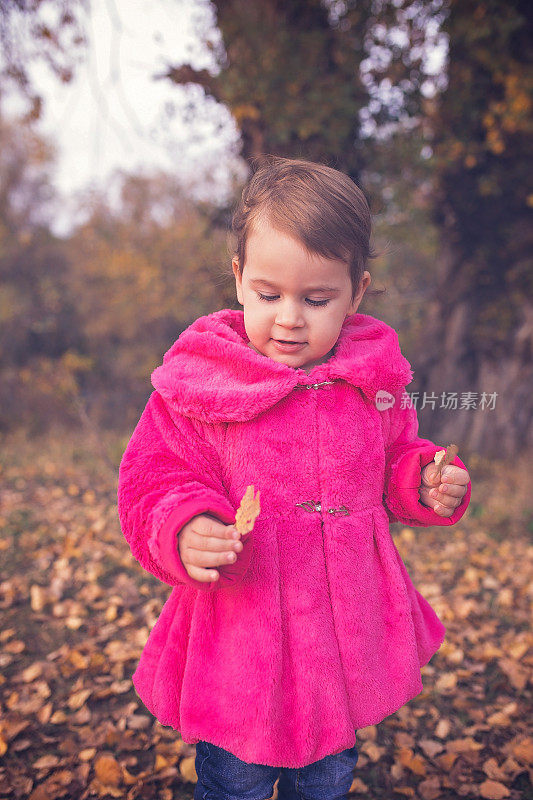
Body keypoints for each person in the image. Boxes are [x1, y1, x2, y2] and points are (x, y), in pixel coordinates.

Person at [117, 156, 471, 800]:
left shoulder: (372, 379)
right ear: (238, 279)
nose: (289, 319)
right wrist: (186, 523)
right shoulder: (205, 381)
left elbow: (395, 460)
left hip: (339, 636)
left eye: (316, 300)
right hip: (242, 644)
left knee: (326, 779)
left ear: (356, 292)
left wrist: (421, 482)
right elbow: (153, 475)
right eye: (268, 294)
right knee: (237, 783)